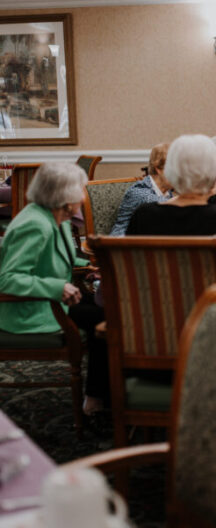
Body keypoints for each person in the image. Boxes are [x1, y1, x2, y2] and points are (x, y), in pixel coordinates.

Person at [0, 162, 107, 413]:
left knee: (110, 312)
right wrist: (57, 286)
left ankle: (103, 391)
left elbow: (56, 258)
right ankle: (96, 397)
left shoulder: (51, 216)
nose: (83, 196)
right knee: (105, 320)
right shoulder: (35, 224)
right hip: (32, 308)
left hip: (53, 300)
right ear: (64, 196)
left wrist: (88, 269)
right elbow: (7, 278)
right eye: (80, 189)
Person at [127, 134, 216, 295]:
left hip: (154, 315)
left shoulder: (143, 216)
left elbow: (131, 275)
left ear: (171, 172)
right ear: (215, 172)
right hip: (212, 316)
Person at [110, 142, 172, 235]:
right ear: (159, 169)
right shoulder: (139, 192)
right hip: (122, 244)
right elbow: (168, 205)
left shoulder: (167, 191)